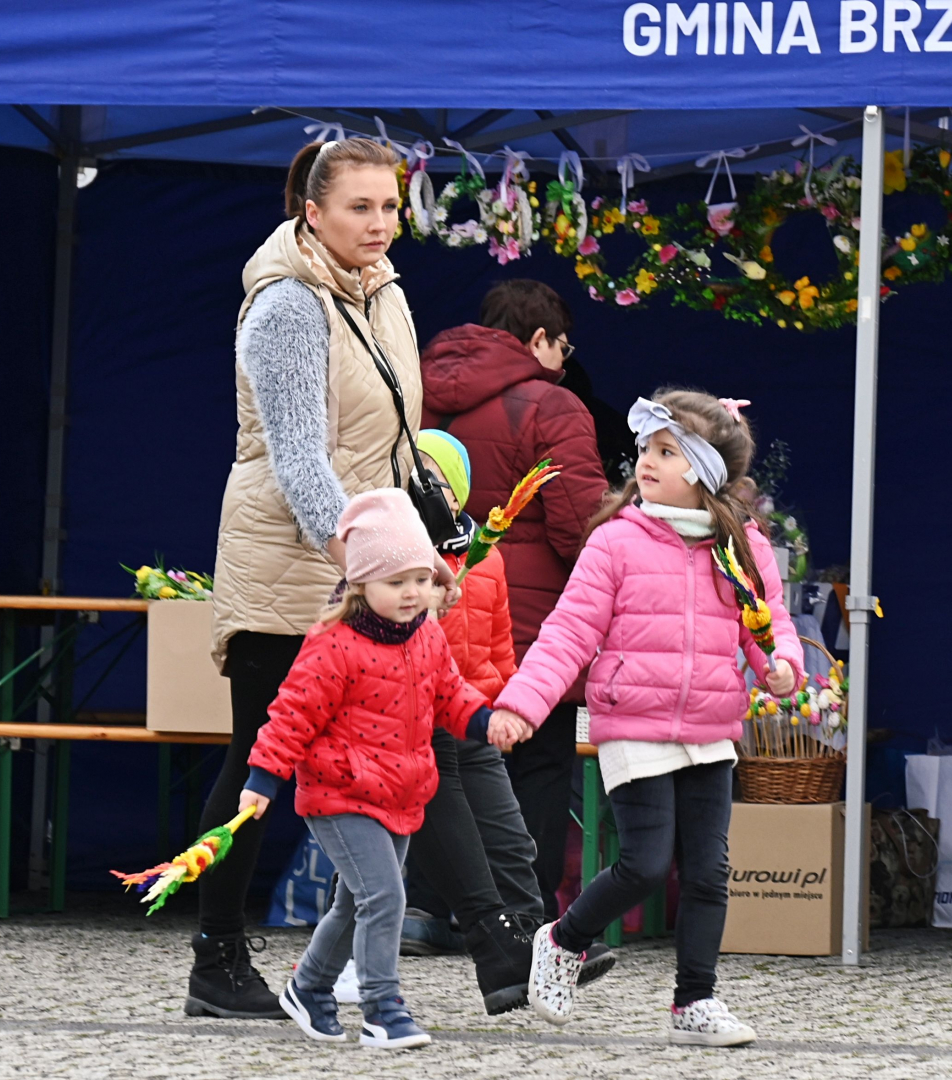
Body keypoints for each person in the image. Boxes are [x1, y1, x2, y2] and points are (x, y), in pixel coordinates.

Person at [488, 390, 804, 1045]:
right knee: (646, 865)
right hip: (633, 723)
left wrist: (782, 668)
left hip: (710, 729)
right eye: (645, 450)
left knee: (710, 872)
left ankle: (695, 1003)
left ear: (705, 470)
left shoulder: (741, 546)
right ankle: (563, 940)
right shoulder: (615, 541)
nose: (646, 463)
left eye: (666, 451)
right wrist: (522, 704)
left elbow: (767, 623)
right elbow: (568, 632)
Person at [193, 136, 422, 1019]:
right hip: (290, 569)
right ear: (312, 213)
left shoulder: (384, 293)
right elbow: (298, 458)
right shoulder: (287, 303)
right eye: (360, 207)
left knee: (393, 757)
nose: (379, 222)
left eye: (390, 205)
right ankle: (217, 959)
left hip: (361, 567)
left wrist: (422, 530)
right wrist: (366, 561)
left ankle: (465, 942)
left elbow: (396, 441)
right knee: (257, 763)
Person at [328, 431, 616, 1014]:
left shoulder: (486, 557)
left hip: (470, 716)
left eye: (433, 476)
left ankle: (536, 946)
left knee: (511, 840)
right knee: (385, 859)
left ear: (457, 491)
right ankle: (336, 967)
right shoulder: (387, 559)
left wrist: (504, 707)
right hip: (410, 726)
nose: (421, 485)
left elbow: (500, 646)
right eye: (413, 473)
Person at [237, 487, 532, 1050]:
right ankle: (382, 1008)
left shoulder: (426, 636)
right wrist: (262, 779)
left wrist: (487, 721)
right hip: (339, 794)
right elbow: (291, 715)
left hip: (399, 792)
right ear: (362, 583)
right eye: (396, 582)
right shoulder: (334, 645)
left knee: (356, 902)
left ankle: (308, 987)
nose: (412, 593)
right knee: (385, 897)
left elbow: (451, 695)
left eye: (421, 579)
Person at [420, 280, 608, 917]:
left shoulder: (414, 393)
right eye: (563, 346)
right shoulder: (552, 405)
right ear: (538, 339)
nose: (564, 361)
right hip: (524, 623)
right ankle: (522, 915)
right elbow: (579, 525)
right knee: (536, 763)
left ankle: (427, 908)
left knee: (439, 761)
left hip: (427, 611)